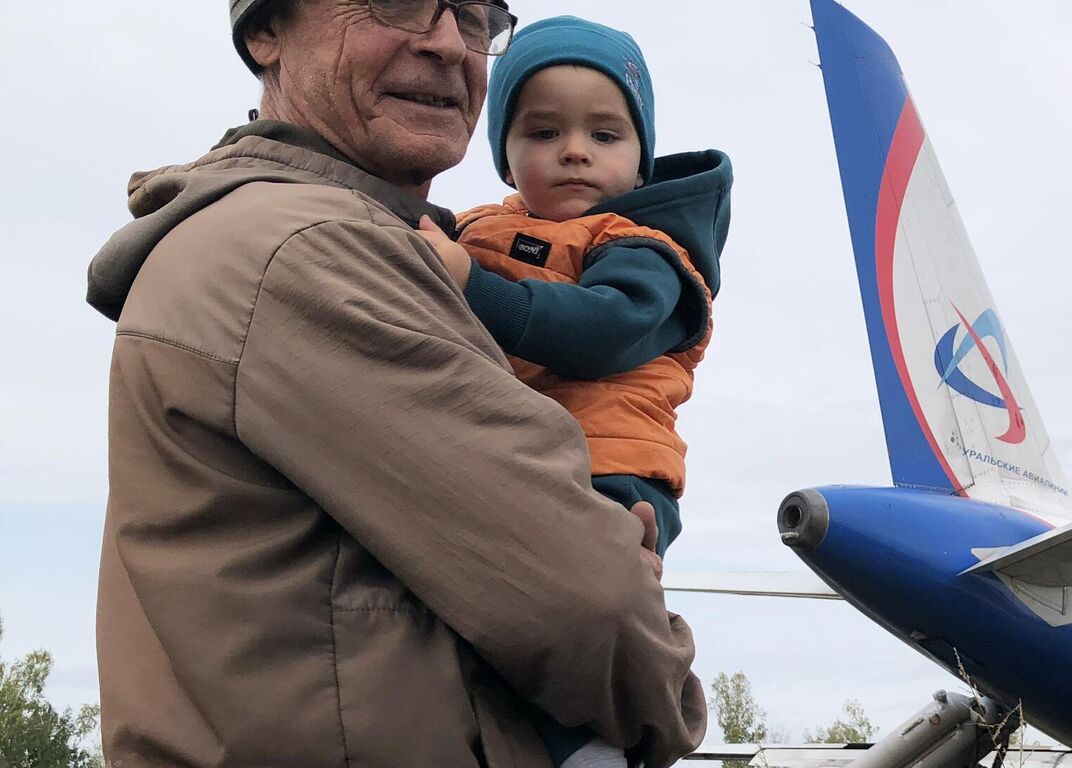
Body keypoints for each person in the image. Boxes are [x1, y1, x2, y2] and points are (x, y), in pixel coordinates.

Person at [82, 1, 706, 765]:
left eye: (475, 15)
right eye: (397, 1)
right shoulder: (307, 251)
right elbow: (590, 603)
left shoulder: (387, 242)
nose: (447, 42)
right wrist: (665, 695)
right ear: (265, 32)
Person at [410, 15, 731, 768]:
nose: (575, 150)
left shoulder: (645, 252)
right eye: (544, 131)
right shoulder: (477, 229)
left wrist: (473, 289)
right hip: (520, 463)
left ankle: (595, 748)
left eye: (606, 135)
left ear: (641, 157)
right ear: (505, 153)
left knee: (574, 617)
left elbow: (599, 333)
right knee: (486, 620)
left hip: (612, 472)